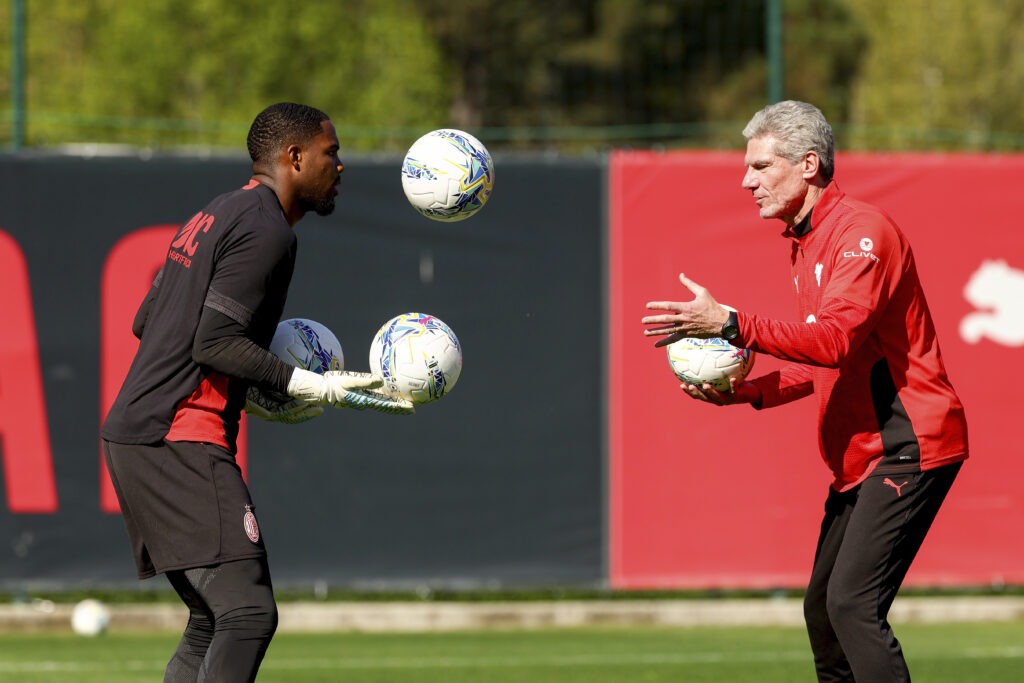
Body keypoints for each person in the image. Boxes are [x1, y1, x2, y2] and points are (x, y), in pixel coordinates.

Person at [641, 100, 968, 682]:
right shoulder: (806, 241)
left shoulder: (862, 232)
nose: (747, 181)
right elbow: (824, 359)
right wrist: (747, 390)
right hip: (864, 456)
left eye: (762, 167)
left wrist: (731, 324)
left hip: (909, 445)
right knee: (823, 611)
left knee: (852, 605)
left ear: (809, 164)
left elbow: (835, 342)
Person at [101, 102, 412, 683]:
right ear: (293, 158)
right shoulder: (269, 231)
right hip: (178, 437)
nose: (339, 166)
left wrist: (255, 380)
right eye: (331, 152)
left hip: (136, 434)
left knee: (210, 618)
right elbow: (214, 343)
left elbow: (149, 319)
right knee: (247, 614)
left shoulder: (217, 212)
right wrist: (306, 383)